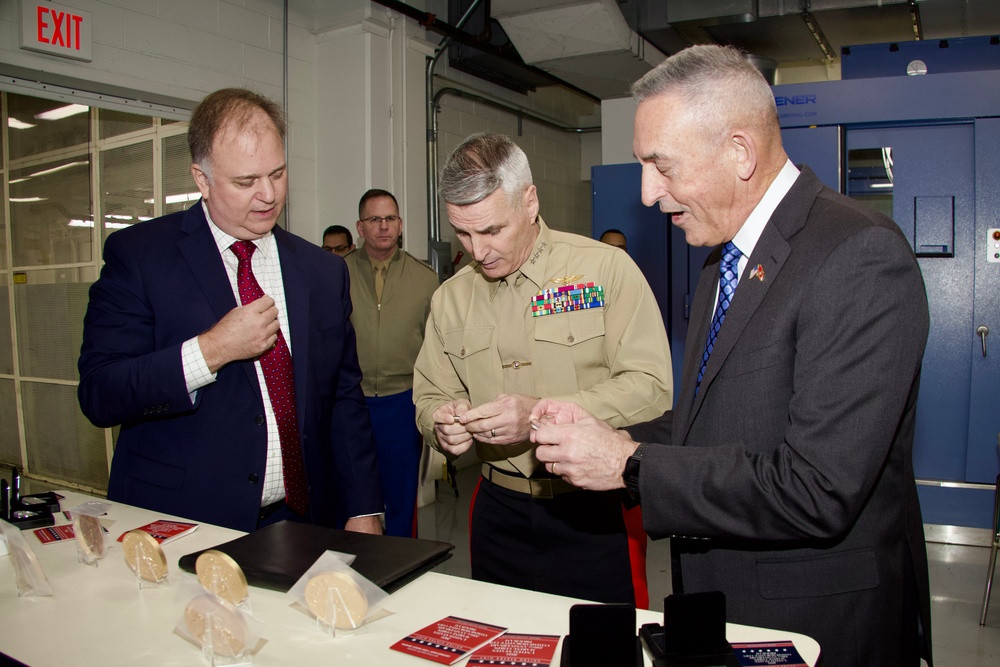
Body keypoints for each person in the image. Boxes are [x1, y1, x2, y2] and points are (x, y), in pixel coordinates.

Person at [529, 45, 932, 666]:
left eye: (661, 165)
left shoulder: (858, 255)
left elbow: (818, 487)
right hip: (722, 604)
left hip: (813, 621)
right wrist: (604, 435)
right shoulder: (725, 258)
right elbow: (712, 419)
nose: (645, 193)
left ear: (739, 153)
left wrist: (632, 464)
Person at [78, 88, 383, 535]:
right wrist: (209, 351)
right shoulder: (141, 256)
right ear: (202, 179)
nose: (267, 195)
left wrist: (362, 505)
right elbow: (101, 393)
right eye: (246, 181)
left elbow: (342, 396)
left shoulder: (321, 271)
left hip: (300, 521)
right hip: (183, 521)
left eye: (277, 174)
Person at [413, 132, 673, 605]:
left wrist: (541, 413)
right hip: (497, 511)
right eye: (463, 233)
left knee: (602, 649)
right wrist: (440, 424)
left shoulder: (604, 271)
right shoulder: (450, 298)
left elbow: (652, 388)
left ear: (529, 201)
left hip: (590, 511)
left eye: (492, 230)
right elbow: (430, 394)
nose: (478, 249)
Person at [343, 188, 439, 537]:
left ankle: (402, 563)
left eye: (390, 219)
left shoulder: (425, 279)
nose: (383, 227)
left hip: (402, 401)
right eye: (374, 219)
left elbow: (437, 348)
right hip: (351, 401)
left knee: (401, 495)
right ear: (360, 226)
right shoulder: (336, 274)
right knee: (350, 492)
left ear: (400, 225)